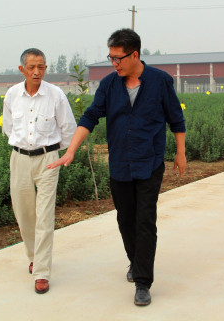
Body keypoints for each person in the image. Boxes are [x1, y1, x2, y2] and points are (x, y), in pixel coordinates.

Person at [48, 29, 186, 306]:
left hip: (149, 162)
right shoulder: (109, 84)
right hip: (120, 163)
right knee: (125, 219)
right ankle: (135, 260)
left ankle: (143, 282)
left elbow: (176, 118)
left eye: (118, 58)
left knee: (145, 220)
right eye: (110, 58)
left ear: (134, 55)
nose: (114, 63)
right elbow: (91, 116)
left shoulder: (160, 81)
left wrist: (180, 153)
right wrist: (71, 150)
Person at [2, 48, 77, 294]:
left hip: (48, 159)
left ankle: (42, 271)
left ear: (46, 68)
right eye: (32, 67)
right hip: (19, 158)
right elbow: (9, 128)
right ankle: (34, 255)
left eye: (41, 67)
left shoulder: (55, 95)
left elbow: (68, 128)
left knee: (44, 215)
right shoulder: (12, 95)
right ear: (22, 69)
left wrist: (57, 153)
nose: (37, 71)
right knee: (24, 213)